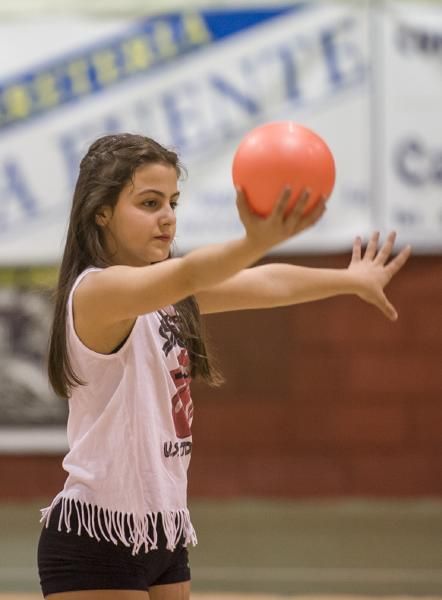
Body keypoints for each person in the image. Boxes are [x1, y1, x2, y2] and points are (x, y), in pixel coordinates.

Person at [37, 133, 411, 600]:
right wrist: (252, 240)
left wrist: (349, 280)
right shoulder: (97, 292)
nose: (168, 217)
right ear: (102, 211)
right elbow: (191, 272)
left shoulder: (166, 298)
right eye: (149, 203)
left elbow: (265, 283)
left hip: (165, 531)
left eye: (173, 202)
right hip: (97, 536)